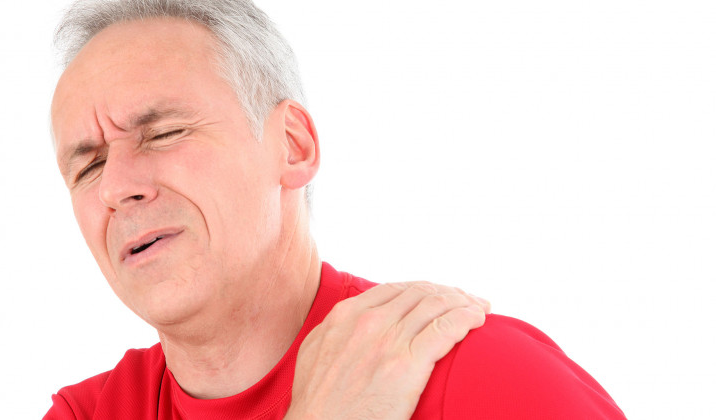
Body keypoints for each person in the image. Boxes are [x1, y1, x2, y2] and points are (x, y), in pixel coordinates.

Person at [44, 0, 626, 418]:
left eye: (164, 133)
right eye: (88, 166)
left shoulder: (479, 372)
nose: (116, 186)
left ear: (292, 146)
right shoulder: (87, 414)